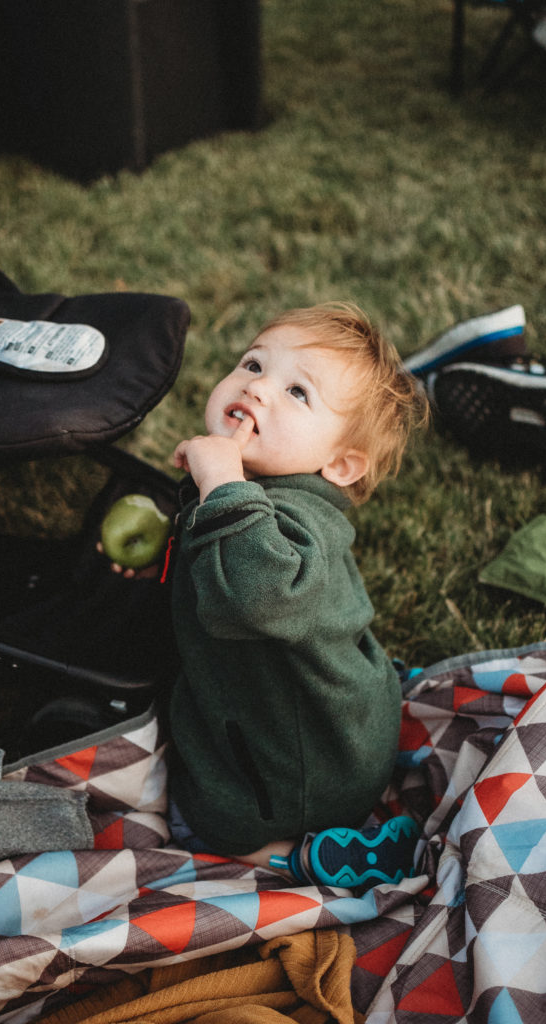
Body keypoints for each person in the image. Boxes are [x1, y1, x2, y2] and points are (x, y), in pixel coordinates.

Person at [113, 302, 427, 888]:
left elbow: (256, 594)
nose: (258, 389)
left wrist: (221, 481)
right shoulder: (258, 487)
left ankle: (300, 858)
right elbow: (216, 563)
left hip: (301, 777)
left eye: (298, 393)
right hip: (334, 725)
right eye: (254, 364)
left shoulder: (287, 515)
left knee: (191, 824)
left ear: (340, 464)